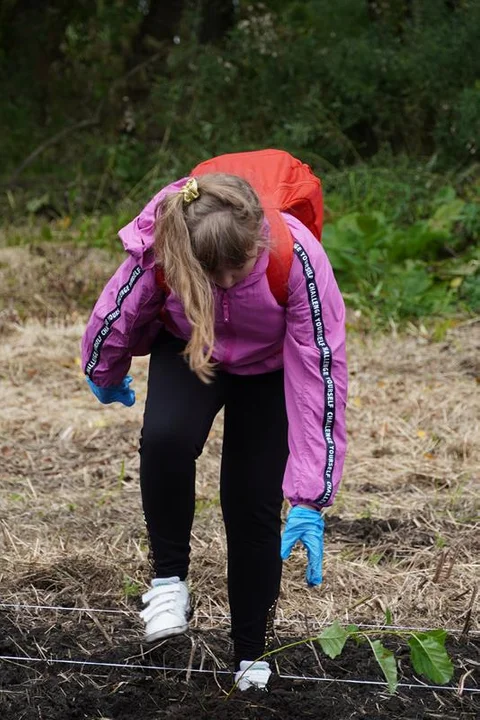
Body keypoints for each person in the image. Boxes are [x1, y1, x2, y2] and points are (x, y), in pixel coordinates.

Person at [82, 152, 348, 691]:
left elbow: (320, 369)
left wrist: (311, 495)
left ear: (257, 237)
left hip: (270, 368)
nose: (226, 280)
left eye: (239, 265)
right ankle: (168, 583)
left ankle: (251, 654)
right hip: (192, 345)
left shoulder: (295, 257)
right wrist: (103, 367)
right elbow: (120, 306)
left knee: (251, 503)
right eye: (210, 271)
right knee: (165, 438)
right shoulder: (166, 245)